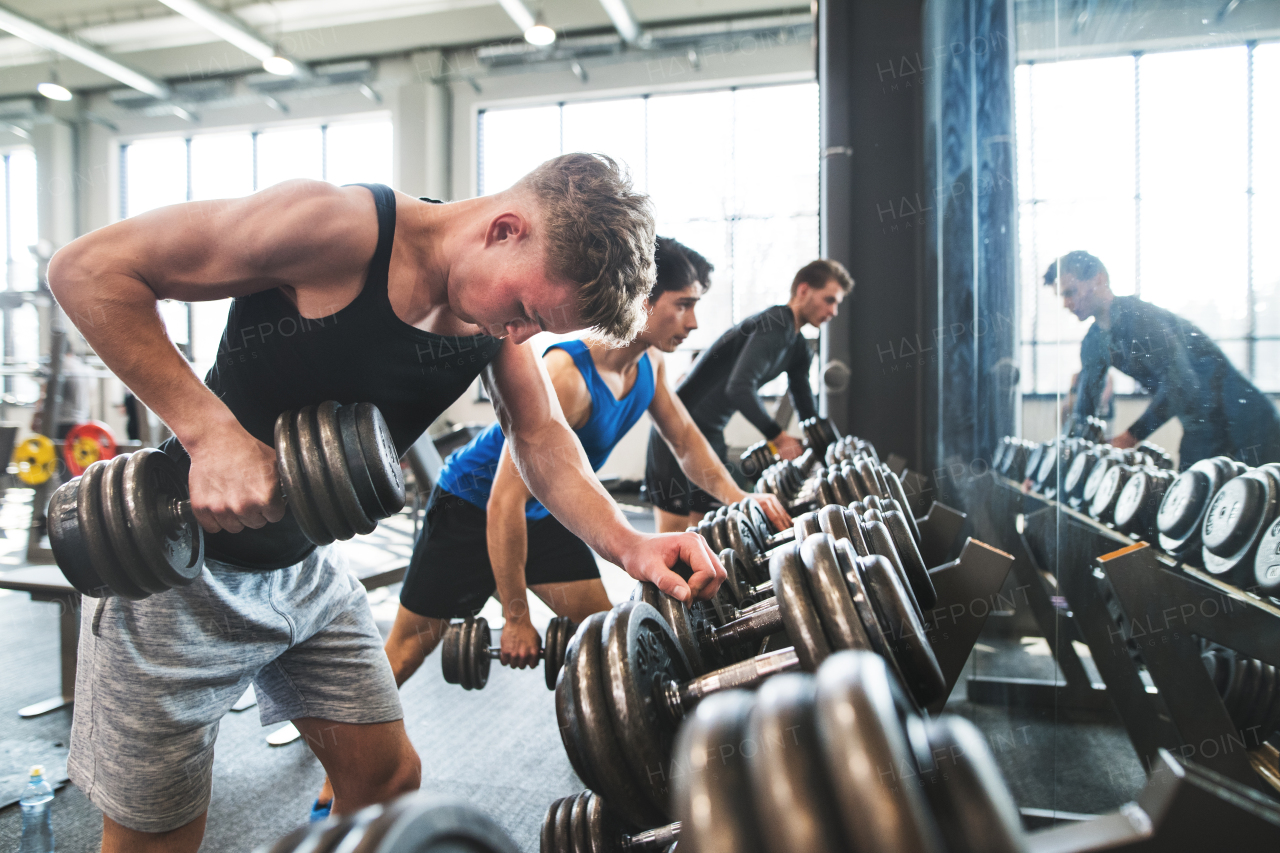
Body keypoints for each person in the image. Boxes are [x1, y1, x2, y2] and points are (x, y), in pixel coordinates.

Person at [46, 154, 724, 853]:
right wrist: (212, 434)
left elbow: (541, 435)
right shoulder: (336, 230)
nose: (520, 335)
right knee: (159, 834)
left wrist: (629, 543)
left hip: (304, 571)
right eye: (524, 310)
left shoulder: (490, 324)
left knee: (387, 777)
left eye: (539, 327)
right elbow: (88, 269)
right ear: (504, 230)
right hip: (176, 574)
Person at [309, 236, 793, 815]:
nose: (693, 321)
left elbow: (687, 443)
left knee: (611, 639)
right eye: (682, 305)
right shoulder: (566, 373)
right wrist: (515, 617)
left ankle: (627, 759)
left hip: (553, 513)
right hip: (472, 507)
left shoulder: (650, 366)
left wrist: (741, 496)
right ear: (643, 301)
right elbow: (502, 504)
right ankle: (336, 781)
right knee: (409, 649)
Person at [644, 258, 854, 532]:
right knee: (673, 536)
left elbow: (807, 411)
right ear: (803, 290)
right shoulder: (775, 323)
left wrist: (825, 455)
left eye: (837, 303)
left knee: (706, 532)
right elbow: (739, 387)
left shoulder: (799, 348)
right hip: (674, 431)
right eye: (829, 300)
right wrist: (779, 438)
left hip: (710, 436)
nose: (834, 311)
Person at [1047, 250, 1280, 468]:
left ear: (1099, 279)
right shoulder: (1093, 343)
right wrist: (1055, 465)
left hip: (1249, 423)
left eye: (1070, 292)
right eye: (1062, 296)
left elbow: (1182, 384)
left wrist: (1130, 437)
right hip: (1201, 425)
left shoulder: (1141, 318)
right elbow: (1084, 412)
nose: (1066, 304)